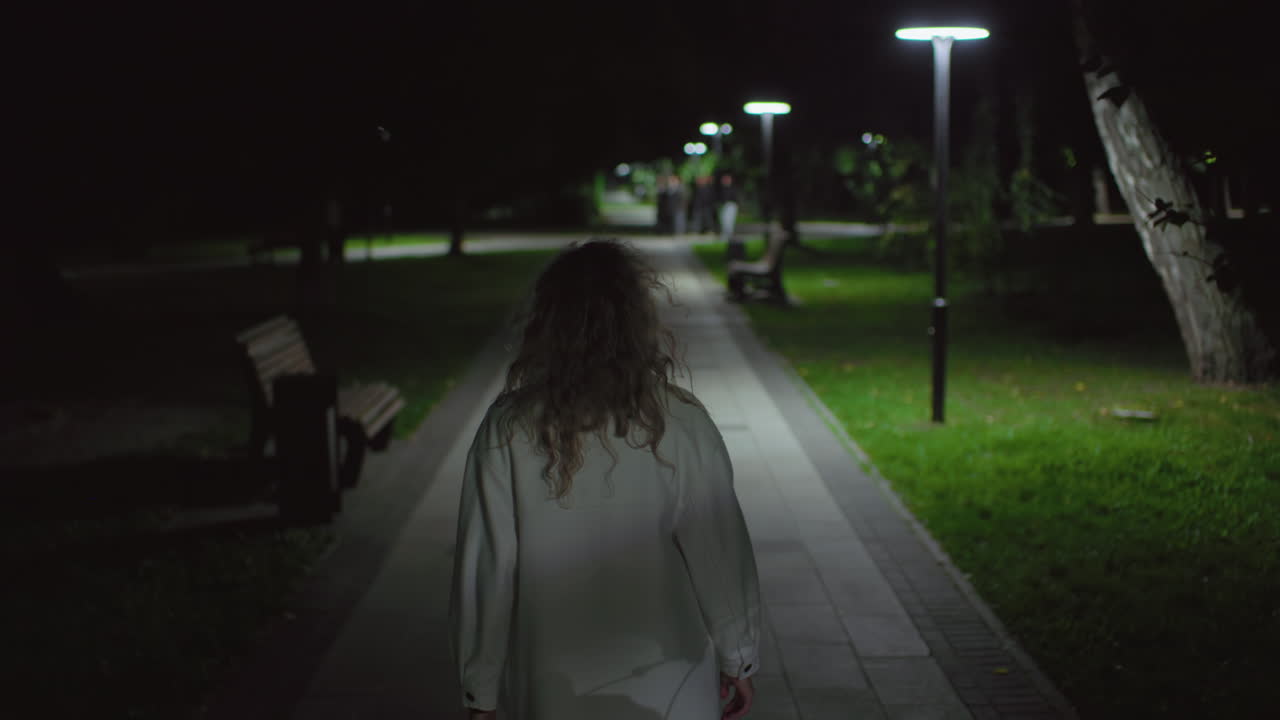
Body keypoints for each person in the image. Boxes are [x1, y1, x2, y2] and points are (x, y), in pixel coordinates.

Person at [450, 239, 762, 720]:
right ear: (638, 320)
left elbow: (486, 570)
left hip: (551, 683)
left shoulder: (508, 427)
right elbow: (717, 552)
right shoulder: (679, 421)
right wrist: (738, 656)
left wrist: (480, 690)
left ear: (547, 323)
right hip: (668, 682)